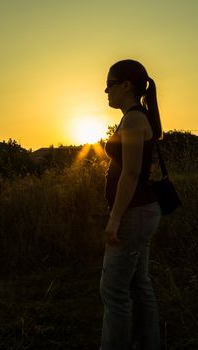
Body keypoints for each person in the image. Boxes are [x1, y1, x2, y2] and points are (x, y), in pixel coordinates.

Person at [100, 59, 162, 350]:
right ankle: (148, 344)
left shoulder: (135, 118)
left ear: (126, 85)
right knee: (139, 285)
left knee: (113, 291)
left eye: (110, 84)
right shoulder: (134, 117)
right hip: (138, 211)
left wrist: (114, 218)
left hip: (133, 214)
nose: (106, 91)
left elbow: (132, 172)